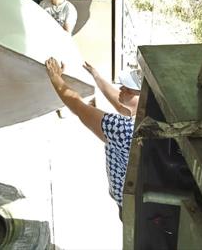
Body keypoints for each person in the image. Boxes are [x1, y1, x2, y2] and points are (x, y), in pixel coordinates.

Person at [45, 58, 141, 216]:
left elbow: (78, 107)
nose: (121, 88)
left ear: (141, 99)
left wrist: (55, 77)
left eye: (129, 89)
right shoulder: (146, 115)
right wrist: (96, 76)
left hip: (130, 207)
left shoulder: (123, 129)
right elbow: (119, 101)